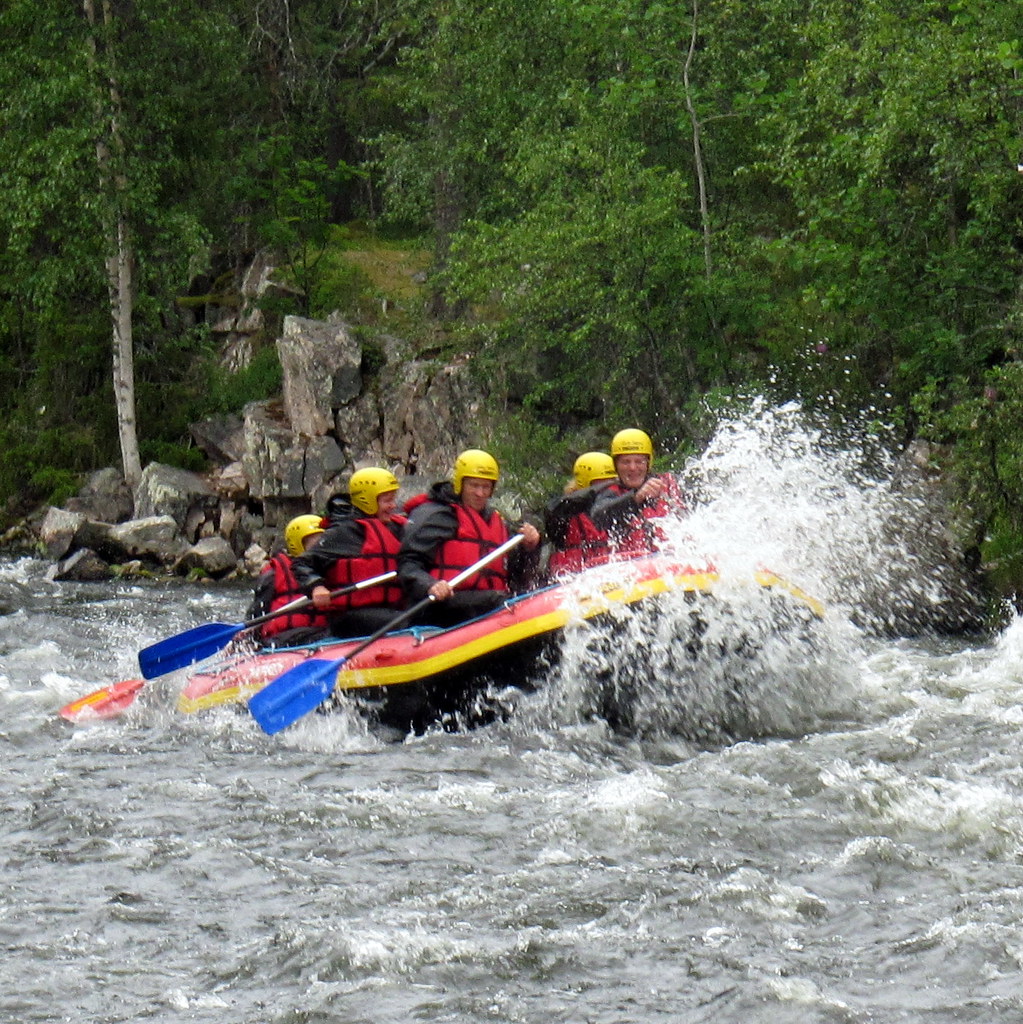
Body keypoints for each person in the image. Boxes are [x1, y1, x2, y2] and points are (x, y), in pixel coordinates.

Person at [399, 448, 542, 626]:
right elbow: (409, 564)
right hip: (440, 605)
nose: (480, 493)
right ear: (460, 484)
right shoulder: (437, 515)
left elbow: (517, 575)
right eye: (474, 486)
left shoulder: (498, 522)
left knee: (520, 598)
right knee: (499, 600)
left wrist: (529, 548)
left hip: (484, 603)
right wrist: (430, 585)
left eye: (486, 487)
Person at [292, 468, 408, 637]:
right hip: (349, 617)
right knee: (406, 621)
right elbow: (302, 563)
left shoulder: (396, 527)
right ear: (367, 500)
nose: (393, 505)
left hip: (390, 608)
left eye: (393, 499)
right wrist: (316, 587)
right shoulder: (345, 532)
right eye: (387, 501)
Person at [590, 428, 688, 557]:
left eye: (639, 462)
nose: (633, 468)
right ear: (616, 465)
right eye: (625, 462)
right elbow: (599, 516)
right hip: (632, 565)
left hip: (670, 559)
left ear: (648, 464)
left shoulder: (668, 485)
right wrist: (635, 499)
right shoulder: (609, 493)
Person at [249, 514, 329, 646]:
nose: (320, 549)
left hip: (324, 634)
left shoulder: (331, 569)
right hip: (285, 638)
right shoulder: (273, 575)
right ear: (296, 544)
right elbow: (257, 614)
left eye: (323, 543)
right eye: (315, 544)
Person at [544, 451, 618, 577]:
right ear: (584, 483)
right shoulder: (563, 510)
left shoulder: (616, 504)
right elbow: (552, 514)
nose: (607, 489)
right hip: (574, 578)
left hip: (610, 574)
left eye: (610, 482)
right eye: (601, 483)